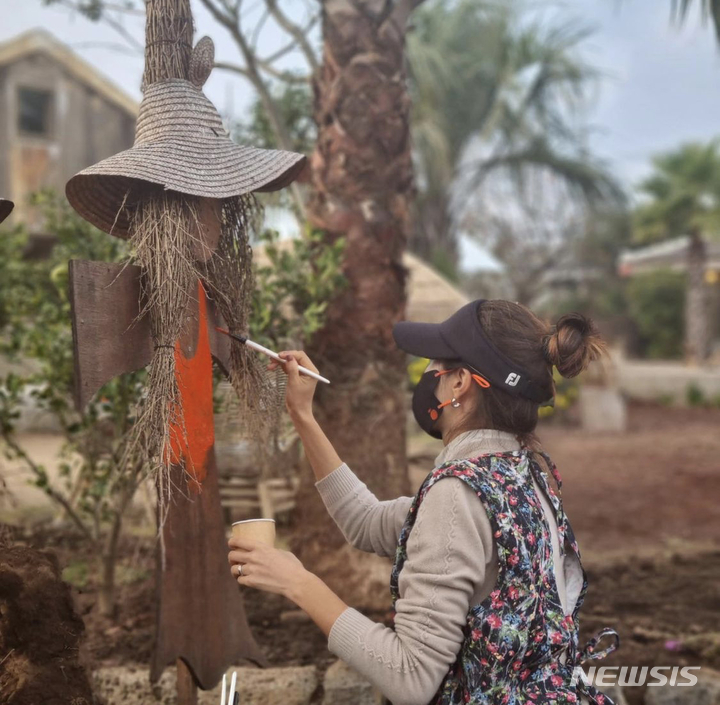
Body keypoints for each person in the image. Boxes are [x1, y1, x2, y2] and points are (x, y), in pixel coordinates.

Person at [227, 298, 621, 705]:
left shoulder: (458, 495)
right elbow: (364, 521)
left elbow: (411, 679)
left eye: (434, 365)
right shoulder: (524, 477)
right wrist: (303, 415)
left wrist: (298, 582)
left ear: (459, 384)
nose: (427, 375)